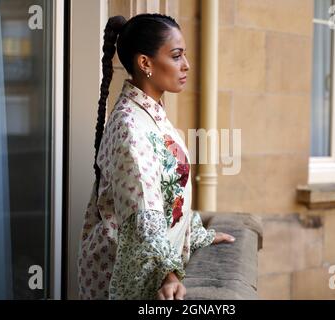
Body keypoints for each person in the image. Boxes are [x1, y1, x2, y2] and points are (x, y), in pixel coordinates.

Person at [77, 13, 235, 300]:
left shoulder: (153, 115)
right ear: (145, 63)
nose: (186, 65)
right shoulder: (130, 125)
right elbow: (143, 212)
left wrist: (198, 234)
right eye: (176, 56)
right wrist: (168, 274)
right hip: (121, 273)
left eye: (183, 55)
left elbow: (169, 195)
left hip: (148, 264)